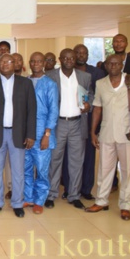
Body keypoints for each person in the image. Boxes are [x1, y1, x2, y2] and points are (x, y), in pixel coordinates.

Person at [86, 54, 130, 221]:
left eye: (117, 63)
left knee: (128, 171)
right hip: (106, 133)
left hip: (128, 133)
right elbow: (97, 108)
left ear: (122, 65)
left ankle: (126, 205)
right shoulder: (100, 83)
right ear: (105, 65)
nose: (113, 66)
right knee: (104, 169)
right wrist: (93, 131)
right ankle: (101, 201)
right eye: (110, 63)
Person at [0, 53, 37, 218]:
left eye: (9, 61)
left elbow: (31, 111)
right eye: (2, 62)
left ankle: (17, 203)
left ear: (15, 64)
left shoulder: (25, 84)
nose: (5, 64)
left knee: (18, 172)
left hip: (18, 134)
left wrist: (31, 135)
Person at [45, 48, 92, 210]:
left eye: (71, 58)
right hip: (58, 124)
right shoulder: (51, 76)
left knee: (76, 162)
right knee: (54, 160)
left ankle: (74, 195)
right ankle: (51, 194)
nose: (69, 60)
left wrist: (88, 105)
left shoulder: (85, 77)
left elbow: (89, 96)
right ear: (60, 59)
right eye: (65, 58)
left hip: (78, 124)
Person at [24, 52, 59, 214]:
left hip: (42, 134)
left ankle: (39, 200)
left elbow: (53, 111)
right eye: (33, 61)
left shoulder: (50, 84)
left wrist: (47, 135)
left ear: (44, 63)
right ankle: (28, 198)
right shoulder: (25, 82)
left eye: (39, 61)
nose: (36, 64)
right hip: (25, 133)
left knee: (42, 170)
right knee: (26, 168)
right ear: (29, 63)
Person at [72, 44, 106, 200]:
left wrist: (89, 106)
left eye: (84, 53)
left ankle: (86, 189)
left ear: (87, 55)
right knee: (71, 157)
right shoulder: (67, 71)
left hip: (90, 119)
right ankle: (70, 188)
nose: (81, 55)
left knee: (89, 156)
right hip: (70, 119)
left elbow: (100, 97)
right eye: (77, 53)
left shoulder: (97, 73)